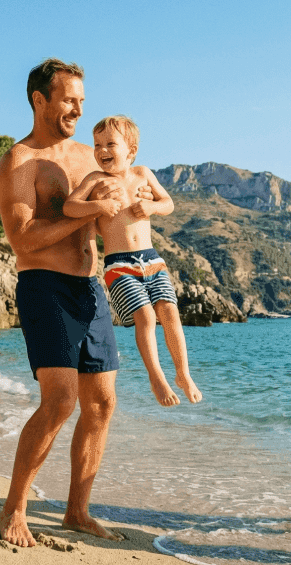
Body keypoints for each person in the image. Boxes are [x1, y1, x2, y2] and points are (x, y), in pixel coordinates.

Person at [0, 58, 155, 548]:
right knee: (60, 401)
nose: (78, 109)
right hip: (44, 285)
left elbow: (121, 216)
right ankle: (13, 509)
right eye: (69, 100)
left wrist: (137, 206)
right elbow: (23, 239)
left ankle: (77, 512)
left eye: (82, 101)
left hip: (92, 288)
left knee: (102, 404)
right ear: (40, 100)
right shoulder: (19, 162)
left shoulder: (92, 155)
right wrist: (88, 213)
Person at [64, 115, 200, 406]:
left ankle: (183, 373)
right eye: (97, 144)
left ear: (131, 151)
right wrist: (98, 205)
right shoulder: (95, 180)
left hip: (153, 259)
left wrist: (151, 206)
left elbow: (168, 204)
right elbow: (70, 206)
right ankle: (156, 377)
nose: (102, 150)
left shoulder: (143, 174)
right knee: (146, 317)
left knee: (170, 313)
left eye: (110, 144)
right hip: (118, 264)